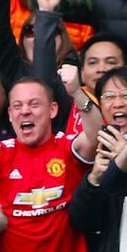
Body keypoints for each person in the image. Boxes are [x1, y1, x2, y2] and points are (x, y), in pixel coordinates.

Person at [0, 73, 102, 251]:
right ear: (10, 115)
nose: (25, 111)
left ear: (52, 110)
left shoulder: (66, 147)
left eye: (34, 104)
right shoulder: (0, 154)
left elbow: (95, 138)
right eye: (17, 106)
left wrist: (76, 92)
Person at [69, 67, 127, 252]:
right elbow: (84, 221)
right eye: (109, 96)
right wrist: (93, 180)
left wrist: (122, 166)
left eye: (125, 94)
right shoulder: (100, 151)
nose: (118, 103)